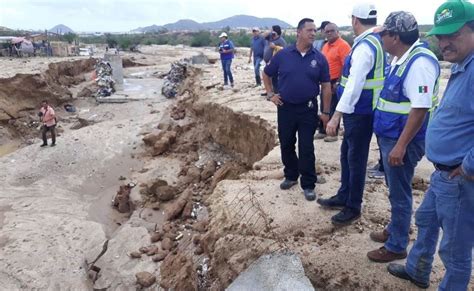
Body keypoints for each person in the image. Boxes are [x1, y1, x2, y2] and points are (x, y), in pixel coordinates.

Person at [387, 1, 474, 289]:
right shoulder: (464, 64)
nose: (444, 42)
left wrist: (468, 166)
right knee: (425, 220)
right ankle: (417, 270)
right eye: (440, 35)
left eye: (453, 34)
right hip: (443, 174)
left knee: (454, 250)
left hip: (458, 177)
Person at [365, 11, 440, 263]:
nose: (381, 38)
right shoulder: (401, 58)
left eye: (384, 33)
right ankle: (395, 227)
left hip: (403, 141)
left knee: (399, 192)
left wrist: (400, 146)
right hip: (392, 136)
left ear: (395, 37)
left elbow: (419, 109)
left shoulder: (419, 64)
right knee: (395, 188)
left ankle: (397, 244)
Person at [317, 3, 386, 226]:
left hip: (360, 111)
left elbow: (355, 85)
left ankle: (353, 206)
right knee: (348, 154)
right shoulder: (375, 40)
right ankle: (344, 195)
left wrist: (336, 115)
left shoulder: (366, 46)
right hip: (361, 110)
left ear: (355, 20)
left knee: (355, 160)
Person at [262, 18, 332, 201]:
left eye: (315, 30)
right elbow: (266, 74)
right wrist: (270, 95)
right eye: (309, 30)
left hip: (308, 109)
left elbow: (326, 86)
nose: (313, 33)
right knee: (286, 143)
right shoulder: (283, 55)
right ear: (298, 32)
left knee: (306, 146)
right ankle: (291, 175)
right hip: (285, 107)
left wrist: (325, 112)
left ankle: (308, 184)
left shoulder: (319, 58)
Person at [315, 22, 351, 142]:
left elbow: (346, 66)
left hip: (336, 81)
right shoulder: (326, 46)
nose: (329, 33)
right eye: (327, 31)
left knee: (334, 106)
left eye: (332, 31)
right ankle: (322, 130)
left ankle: (333, 133)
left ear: (338, 32)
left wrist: (338, 83)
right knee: (324, 106)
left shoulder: (343, 46)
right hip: (325, 81)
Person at [261, 25, 287, 96]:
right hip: (267, 61)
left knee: (274, 78)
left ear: (277, 32)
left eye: (273, 30)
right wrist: (269, 31)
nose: (271, 32)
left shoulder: (281, 40)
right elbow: (262, 36)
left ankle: (276, 92)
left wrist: (275, 46)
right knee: (267, 77)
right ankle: (269, 91)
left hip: (275, 62)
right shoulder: (270, 37)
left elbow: (284, 50)